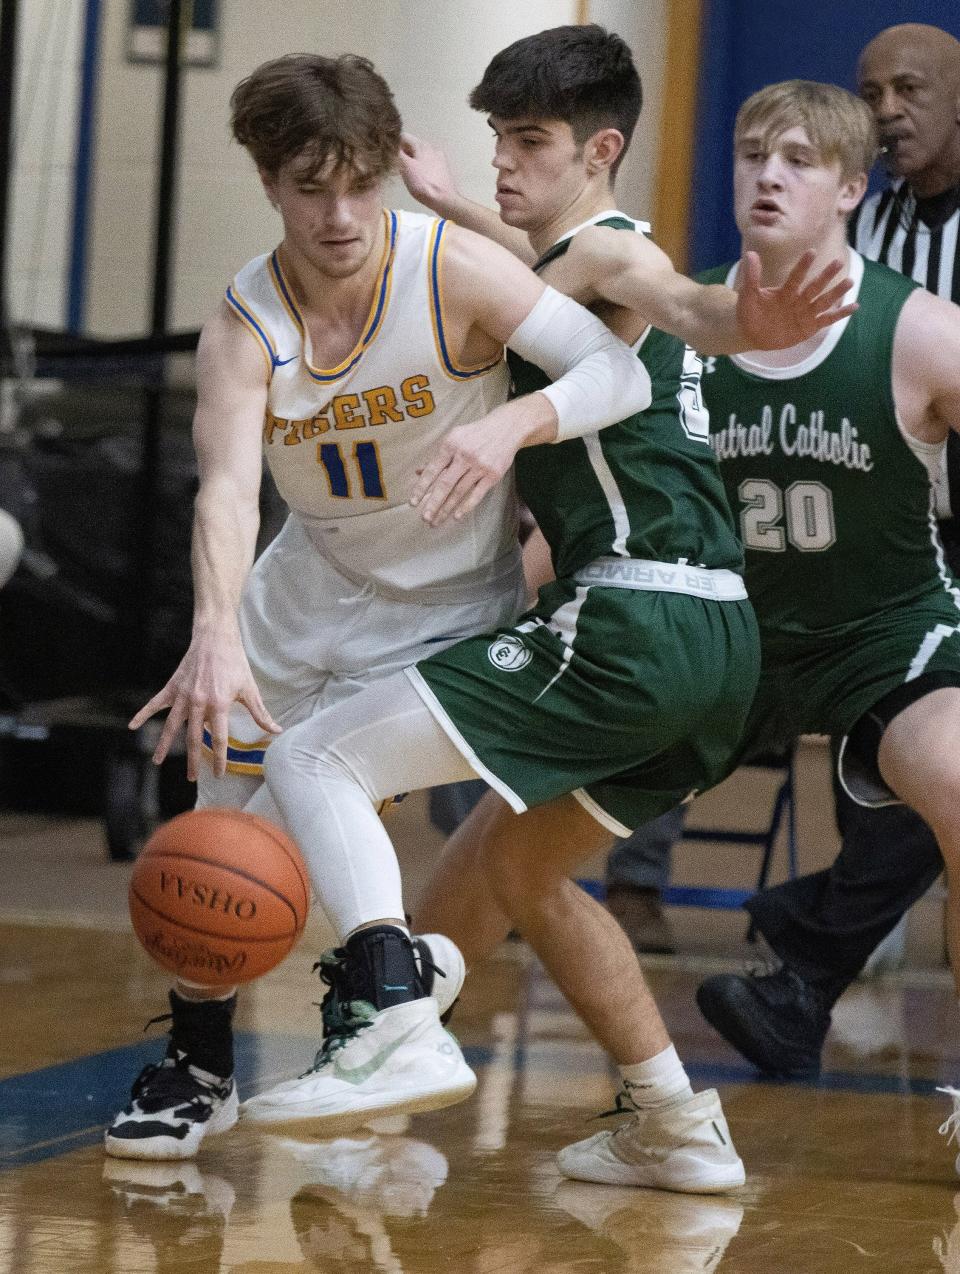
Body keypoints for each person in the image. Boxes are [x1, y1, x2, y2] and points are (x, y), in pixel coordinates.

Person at [106, 45, 845, 1164]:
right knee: (218, 846)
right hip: (301, 595)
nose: (343, 212)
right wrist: (212, 629)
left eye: (364, 181)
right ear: (269, 184)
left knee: (306, 797)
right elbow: (222, 490)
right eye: (314, 187)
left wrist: (507, 424)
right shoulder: (244, 322)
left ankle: (391, 1005)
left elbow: (622, 363)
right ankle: (204, 1062)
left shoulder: (452, 265)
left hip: (448, 606)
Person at [697, 23, 960, 1081]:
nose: (888, 106)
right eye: (871, 89)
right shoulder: (857, 213)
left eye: (911, 89)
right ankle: (804, 954)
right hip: (858, 514)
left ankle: (806, 958)